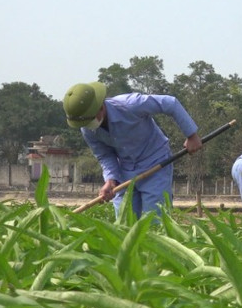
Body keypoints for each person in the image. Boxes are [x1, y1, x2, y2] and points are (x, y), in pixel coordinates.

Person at [62, 82, 202, 218]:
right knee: (124, 221)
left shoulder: (130, 104)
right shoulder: (88, 129)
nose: (87, 125)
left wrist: (191, 135)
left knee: (155, 219)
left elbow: (170, 103)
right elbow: (105, 155)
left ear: (101, 107)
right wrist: (111, 179)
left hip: (156, 163)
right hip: (125, 171)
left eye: (89, 120)